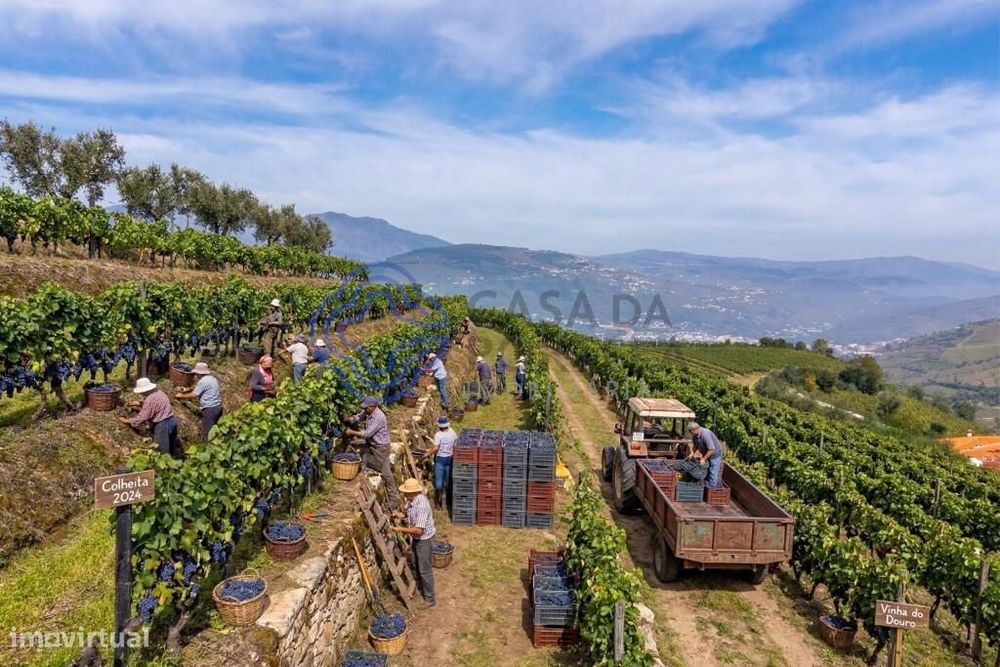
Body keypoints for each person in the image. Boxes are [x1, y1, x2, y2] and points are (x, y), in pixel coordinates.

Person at [345, 396, 401, 509]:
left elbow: (367, 434)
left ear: (373, 407)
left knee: (386, 473)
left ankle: (394, 500)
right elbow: (359, 417)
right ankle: (351, 468)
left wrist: (351, 432)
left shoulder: (379, 417)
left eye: (366, 407)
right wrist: (350, 419)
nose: (364, 409)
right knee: (352, 445)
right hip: (371, 443)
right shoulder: (368, 412)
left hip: (381, 447)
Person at [392, 478, 436, 609]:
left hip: (424, 539)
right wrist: (401, 515)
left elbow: (418, 530)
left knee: (425, 569)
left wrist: (400, 530)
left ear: (413, 493)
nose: (404, 494)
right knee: (416, 564)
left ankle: (430, 598)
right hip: (417, 539)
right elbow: (408, 512)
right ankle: (421, 587)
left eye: (406, 492)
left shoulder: (422, 505)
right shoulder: (411, 501)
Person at [119, 377, 180, 457]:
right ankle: (172, 466)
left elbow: (142, 417)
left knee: (162, 453)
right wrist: (138, 403)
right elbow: (155, 405)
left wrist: (126, 421)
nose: (141, 394)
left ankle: (163, 468)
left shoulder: (150, 399)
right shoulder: (159, 392)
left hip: (162, 425)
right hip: (172, 421)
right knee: (170, 449)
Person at [176, 362, 223, 442]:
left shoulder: (203, 381)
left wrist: (180, 396)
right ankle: (216, 444)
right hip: (218, 407)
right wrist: (187, 390)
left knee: (207, 433)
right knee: (214, 430)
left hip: (210, 410)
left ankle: (207, 450)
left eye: (196, 373)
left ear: (199, 373)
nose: (195, 375)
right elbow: (200, 389)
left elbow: (194, 395)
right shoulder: (212, 378)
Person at [424, 416, 456, 510]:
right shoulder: (452, 432)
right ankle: (447, 501)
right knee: (447, 481)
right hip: (450, 458)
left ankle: (438, 502)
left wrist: (427, 454)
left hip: (440, 460)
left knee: (438, 483)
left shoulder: (438, 435)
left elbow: (435, 448)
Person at [688, 421, 725, 488]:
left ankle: (712, 490)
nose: (691, 434)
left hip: (715, 455)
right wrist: (692, 453)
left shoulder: (705, 434)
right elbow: (695, 445)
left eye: (691, 432)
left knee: (713, 472)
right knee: (706, 471)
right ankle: (707, 487)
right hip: (707, 453)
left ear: (695, 429)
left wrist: (703, 459)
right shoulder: (695, 435)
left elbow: (711, 449)